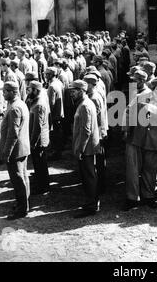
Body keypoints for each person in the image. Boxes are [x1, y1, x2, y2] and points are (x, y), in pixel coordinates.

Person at [123, 75, 157, 211]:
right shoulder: (140, 97)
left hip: (154, 141)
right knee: (133, 170)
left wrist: (152, 108)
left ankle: (148, 196)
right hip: (136, 138)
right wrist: (126, 131)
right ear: (156, 88)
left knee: (151, 169)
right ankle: (132, 198)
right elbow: (127, 113)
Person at [0, 81, 30, 220]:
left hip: (16, 151)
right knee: (22, 178)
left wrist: (6, 153)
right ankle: (23, 204)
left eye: (5, 91)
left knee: (18, 179)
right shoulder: (19, 103)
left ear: (13, 92)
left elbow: (13, 134)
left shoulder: (14, 108)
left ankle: (22, 209)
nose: (3, 93)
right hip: (22, 148)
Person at [69, 80, 101, 218]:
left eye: (74, 90)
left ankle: (91, 206)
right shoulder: (84, 104)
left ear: (82, 91)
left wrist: (80, 149)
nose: (72, 93)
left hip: (86, 148)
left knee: (89, 177)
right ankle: (91, 203)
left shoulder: (85, 106)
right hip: (86, 147)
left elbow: (86, 130)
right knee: (88, 176)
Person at [27, 81, 50, 195]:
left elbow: (37, 126)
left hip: (39, 140)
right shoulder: (36, 101)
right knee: (38, 163)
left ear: (36, 90)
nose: (28, 91)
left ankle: (43, 187)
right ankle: (41, 184)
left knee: (40, 164)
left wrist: (32, 142)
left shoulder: (39, 104)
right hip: (38, 139)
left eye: (30, 89)